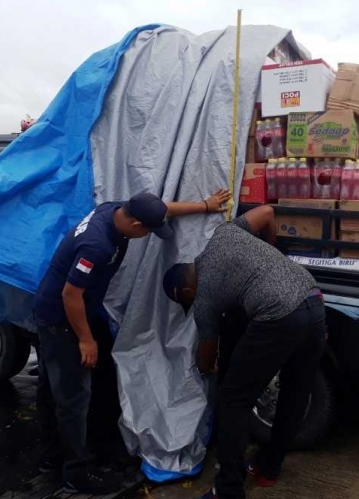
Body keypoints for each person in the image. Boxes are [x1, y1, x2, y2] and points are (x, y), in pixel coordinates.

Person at [34, 188, 231, 495]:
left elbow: (162, 208)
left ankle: (53, 455)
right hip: (62, 318)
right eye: (151, 231)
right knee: (73, 396)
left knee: (60, 387)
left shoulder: (117, 209)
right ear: (137, 226)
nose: (151, 234)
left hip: (79, 309)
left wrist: (204, 206)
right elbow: (70, 294)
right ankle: (76, 472)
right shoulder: (96, 244)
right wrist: (85, 340)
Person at [162, 205, 327, 499]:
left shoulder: (204, 300)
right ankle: (269, 468)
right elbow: (266, 212)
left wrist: (206, 368)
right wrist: (271, 249)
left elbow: (207, 355)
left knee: (232, 401)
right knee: (295, 390)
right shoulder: (224, 233)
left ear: (186, 293)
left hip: (279, 314)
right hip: (313, 299)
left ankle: (228, 490)